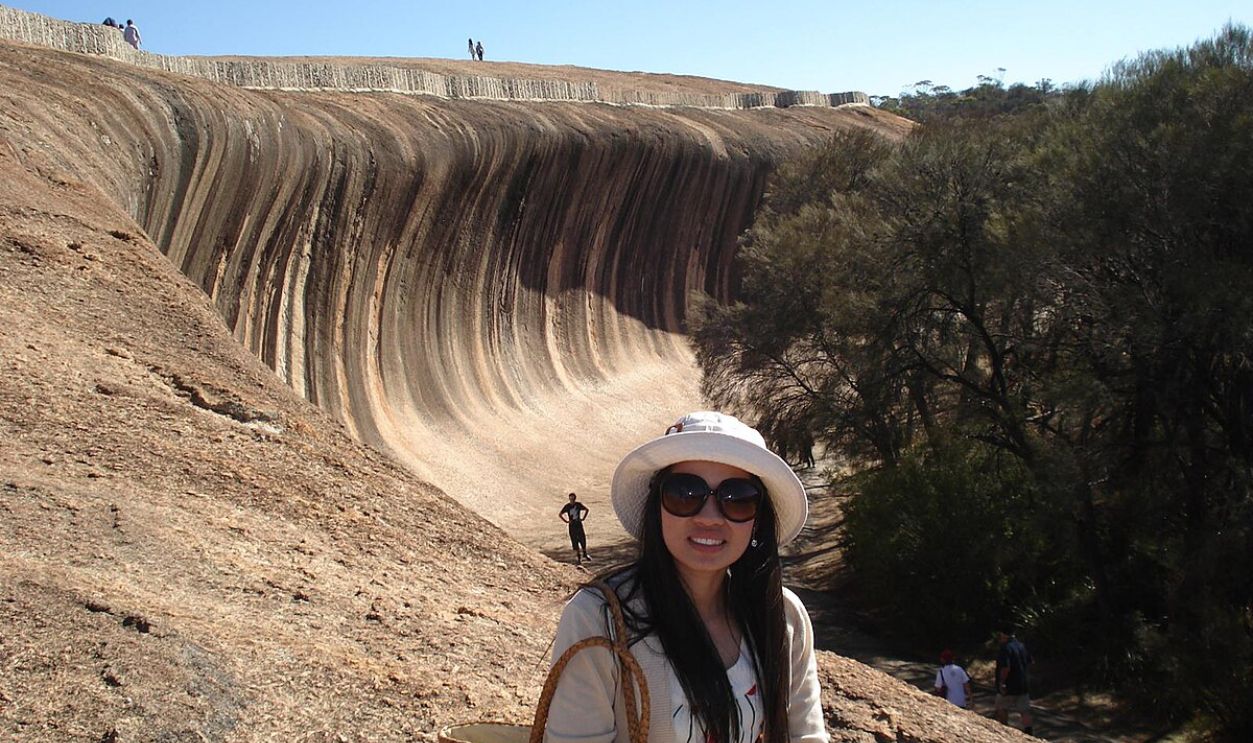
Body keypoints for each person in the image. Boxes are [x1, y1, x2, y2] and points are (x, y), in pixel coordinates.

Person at [545, 411, 828, 743]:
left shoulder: (783, 615)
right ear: (657, 506)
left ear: (758, 520)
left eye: (737, 499)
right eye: (684, 493)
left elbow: (805, 735)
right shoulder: (598, 618)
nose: (709, 518)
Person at [994, 629, 1034, 735]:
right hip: (1023, 684)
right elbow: (1030, 661)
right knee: (1024, 711)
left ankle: (1004, 730)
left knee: (1001, 707)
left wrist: (1002, 682)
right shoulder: (1022, 646)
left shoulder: (1005, 648)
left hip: (1009, 685)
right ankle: (1029, 732)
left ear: (1004, 635)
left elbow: (1005, 668)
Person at [559, 492, 591, 566]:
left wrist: (583, 518)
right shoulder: (567, 506)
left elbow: (587, 509)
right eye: (571, 499)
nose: (572, 500)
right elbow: (560, 514)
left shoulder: (578, 505)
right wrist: (567, 521)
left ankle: (585, 554)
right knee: (574, 540)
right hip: (572, 525)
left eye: (573, 499)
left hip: (578, 524)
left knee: (582, 539)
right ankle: (579, 557)